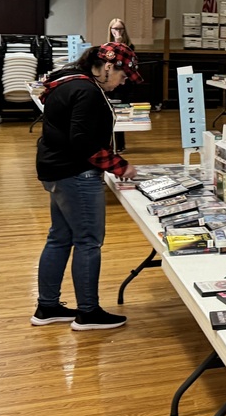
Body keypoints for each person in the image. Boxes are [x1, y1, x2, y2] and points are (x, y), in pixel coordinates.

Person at [32, 42, 143, 331]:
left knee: (59, 237)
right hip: (76, 174)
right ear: (109, 66)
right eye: (122, 76)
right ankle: (88, 312)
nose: (121, 83)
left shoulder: (68, 82)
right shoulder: (87, 92)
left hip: (55, 169)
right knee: (88, 241)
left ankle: (47, 306)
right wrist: (120, 166)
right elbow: (82, 141)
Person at [107, 18, 134, 153]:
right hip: (110, 84)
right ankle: (110, 143)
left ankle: (120, 144)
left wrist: (118, 44)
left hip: (124, 84)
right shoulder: (107, 46)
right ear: (110, 30)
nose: (117, 31)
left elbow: (123, 63)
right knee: (109, 114)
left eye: (120, 29)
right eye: (115, 29)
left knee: (121, 114)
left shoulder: (129, 46)